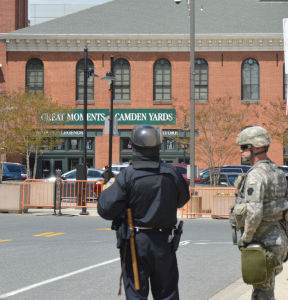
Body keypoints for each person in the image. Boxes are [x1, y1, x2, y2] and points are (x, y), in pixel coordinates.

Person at [97, 125, 190, 300]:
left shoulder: (127, 176)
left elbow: (105, 209)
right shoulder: (171, 174)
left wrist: (108, 188)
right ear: (158, 147)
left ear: (134, 147)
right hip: (164, 241)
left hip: (136, 242)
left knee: (136, 294)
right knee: (167, 294)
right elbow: (182, 199)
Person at [232, 126, 288, 300]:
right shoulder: (277, 171)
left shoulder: (256, 175)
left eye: (244, 147)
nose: (241, 151)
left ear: (256, 147)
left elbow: (254, 213)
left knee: (262, 294)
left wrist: (246, 238)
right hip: (278, 239)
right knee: (265, 290)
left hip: (263, 242)